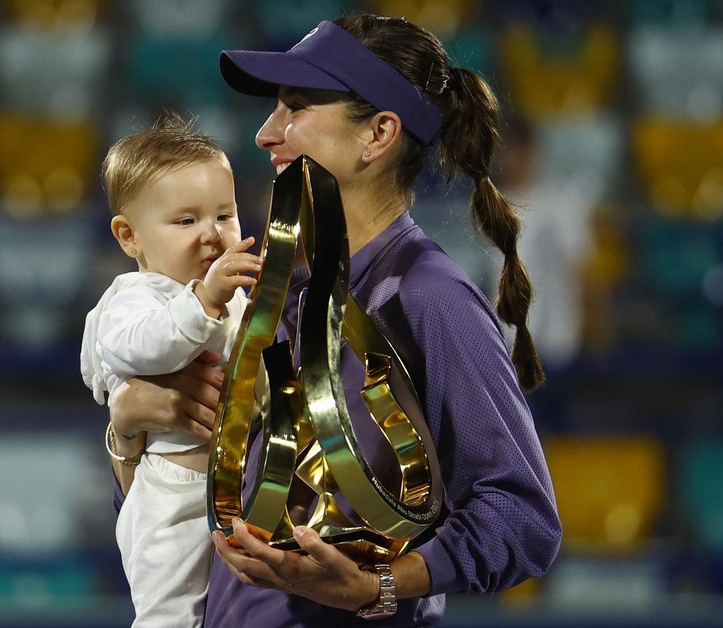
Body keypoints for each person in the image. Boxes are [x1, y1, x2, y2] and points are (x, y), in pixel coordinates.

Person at [109, 14, 562, 627]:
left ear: (377, 134)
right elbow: (178, 520)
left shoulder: (428, 294)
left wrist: (376, 585)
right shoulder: (262, 288)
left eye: (295, 108)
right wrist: (129, 431)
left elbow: (522, 518)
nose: (267, 134)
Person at [80, 112, 262, 627]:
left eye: (224, 216)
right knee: (170, 617)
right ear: (128, 236)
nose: (211, 235)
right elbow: (144, 352)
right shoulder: (133, 298)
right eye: (185, 221)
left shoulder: (232, 298)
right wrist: (205, 300)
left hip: (236, 490)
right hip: (170, 491)